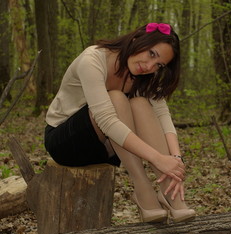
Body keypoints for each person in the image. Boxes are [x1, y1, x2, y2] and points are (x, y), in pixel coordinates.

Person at [44, 23, 196, 223]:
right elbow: (106, 121)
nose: (150, 67)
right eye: (151, 54)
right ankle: (142, 187)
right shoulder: (93, 59)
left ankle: (169, 190)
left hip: (107, 146)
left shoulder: (144, 75)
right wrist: (157, 158)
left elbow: (162, 116)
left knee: (141, 103)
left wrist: (176, 160)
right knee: (116, 97)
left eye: (159, 65)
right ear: (136, 40)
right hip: (65, 141)